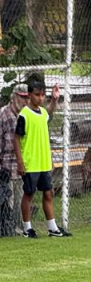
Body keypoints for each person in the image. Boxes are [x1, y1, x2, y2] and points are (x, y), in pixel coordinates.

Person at [13, 79, 71, 238]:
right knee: (29, 194)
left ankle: (52, 228)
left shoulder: (42, 112)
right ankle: (27, 229)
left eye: (43, 95)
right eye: (37, 95)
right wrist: (20, 161)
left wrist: (54, 99)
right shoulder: (24, 115)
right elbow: (16, 138)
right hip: (30, 163)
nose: (40, 98)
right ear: (30, 95)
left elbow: (49, 112)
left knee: (48, 193)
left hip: (44, 162)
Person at [0, 83, 30, 237]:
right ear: (14, 97)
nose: (24, 101)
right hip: (6, 168)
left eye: (26, 98)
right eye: (21, 97)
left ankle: (19, 227)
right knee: (8, 202)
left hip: (24, 168)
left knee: (21, 200)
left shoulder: (26, 115)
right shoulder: (3, 115)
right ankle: (8, 229)